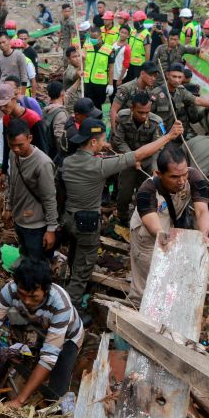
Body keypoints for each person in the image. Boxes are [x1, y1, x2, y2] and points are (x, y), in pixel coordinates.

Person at [61, 117, 185, 313]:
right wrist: (169, 136)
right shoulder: (98, 167)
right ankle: (69, 310)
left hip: (68, 220)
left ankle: (67, 288)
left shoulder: (68, 162)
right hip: (87, 225)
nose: (104, 144)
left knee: (74, 258)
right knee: (84, 268)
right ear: (93, 142)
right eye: (101, 140)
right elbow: (138, 154)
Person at [0, 259, 83, 406]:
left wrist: (20, 400)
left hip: (68, 337)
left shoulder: (61, 305)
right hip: (42, 327)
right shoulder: (10, 290)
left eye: (33, 296)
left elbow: (48, 358)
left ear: (46, 290)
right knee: (38, 357)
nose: (26, 301)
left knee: (57, 391)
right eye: (22, 294)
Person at [128, 145, 209, 303]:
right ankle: (136, 309)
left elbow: (202, 211)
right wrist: (166, 239)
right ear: (159, 174)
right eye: (174, 177)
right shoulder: (147, 190)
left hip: (168, 230)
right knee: (144, 281)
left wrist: (203, 236)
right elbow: (152, 223)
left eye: (184, 174)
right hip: (146, 235)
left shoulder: (194, 178)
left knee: (167, 273)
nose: (181, 181)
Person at [4, 120, 59, 261]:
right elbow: (13, 183)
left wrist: (51, 229)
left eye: (20, 145)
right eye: (12, 145)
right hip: (20, 220)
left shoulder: (43, 164)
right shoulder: (13, 155)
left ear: (30, 138)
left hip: (37, 225)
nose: (16, 149)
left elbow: (50, 198)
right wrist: (9, 207)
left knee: (37, 263)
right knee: (25, 256)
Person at [112, 91, 166, 225]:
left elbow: (158, 146)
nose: (144, 116)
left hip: (148, 162)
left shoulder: (157, 122)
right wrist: (132, 158)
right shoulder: (122, 117)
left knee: (146, 193)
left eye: (146, 112)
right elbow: (119, 140)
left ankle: (142, 219)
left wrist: (148, 164)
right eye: (140, 112)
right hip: (128, 161)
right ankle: (122, 217)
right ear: (132, 109)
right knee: (124, 193)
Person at [151, 63, 209, 140]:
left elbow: (197, 100)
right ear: (167, 75)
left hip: (174, 135)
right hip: (158, 136)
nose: (177, 80)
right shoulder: (156, 94)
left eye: (179, 77)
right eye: (174, 76)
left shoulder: (181, 91)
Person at [0, 84, 50, 182]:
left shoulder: (33, 119)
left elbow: (43, 148)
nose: (2, 109)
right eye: (0, 106)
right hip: (17, 163)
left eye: (5, 105)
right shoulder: (6, 119)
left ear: (14, 99)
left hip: (34, 163)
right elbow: (6, 145)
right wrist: (3, 170)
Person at [110, 61, 158, 131]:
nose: (153, 78)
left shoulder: (149, 91)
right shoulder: (126, 88)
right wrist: (114, 131)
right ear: (142, 73)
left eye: (155, 76)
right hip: (123, 127)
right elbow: (113, 110)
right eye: (150, 75)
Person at [82, 26, 115, 110]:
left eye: (95, 38)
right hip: (87, 81)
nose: (92, 39)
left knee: (98, 106)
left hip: (100, 84)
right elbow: (84, 63)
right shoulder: (87, 45)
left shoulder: (109, 49)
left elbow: (111, 68)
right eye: (91, 37)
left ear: (101, 36)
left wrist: (110, 84)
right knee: (87, 105)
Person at [44, 81, 70, 159]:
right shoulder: (60, 114)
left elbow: (70, 93)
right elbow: (59, 139)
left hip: (47, 152)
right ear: (62, 93)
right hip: (55, 156)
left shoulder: (46, 110)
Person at [125, 11, 151, 83]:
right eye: (134, 21)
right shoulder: (133, 32)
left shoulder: (146, 34)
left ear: (142, 22)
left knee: (137, 83)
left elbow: (147, 51)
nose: (135, 23)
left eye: (136, 21)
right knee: (129, 82)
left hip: (139, 65)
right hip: (130, 63)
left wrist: (146, 67)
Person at [112, 25, 132, 96]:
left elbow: (126, 64)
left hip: (119, 76)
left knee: (118, 96)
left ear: (128, 36)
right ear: (119, 32)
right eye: (122, 32)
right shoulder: (113, 44)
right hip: (112, 75)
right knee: (111, 95)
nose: (123, 34)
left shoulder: (127, 48)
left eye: (125, 33)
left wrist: (120, 79)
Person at [63, 47, 83, 115]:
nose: (78, 59)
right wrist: (82, 62)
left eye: (78, 56)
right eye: (74, 57)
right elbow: (75, 75)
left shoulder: (81, 67)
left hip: (81, 104)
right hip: (71, 108)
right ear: (69, 59)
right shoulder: (68, 70)